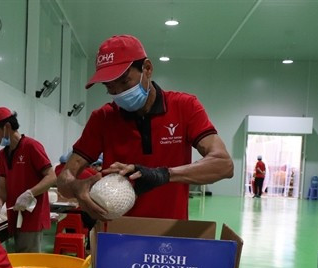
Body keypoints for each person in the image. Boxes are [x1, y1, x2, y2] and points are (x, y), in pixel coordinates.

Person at [57, 35, 234, 221]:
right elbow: (65, 177)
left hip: (170, 232)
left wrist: (161, 175)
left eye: (125, 82)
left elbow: (224, 165)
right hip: (118, 233)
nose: (119, 93)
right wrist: (76, 188)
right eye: (110, 87)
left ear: (147, 69)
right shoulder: (102, 118)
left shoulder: (185, 107)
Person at [0, 107, 56, 252]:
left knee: (29, 262)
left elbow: (51, 176)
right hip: (13, 216)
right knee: (18, 259)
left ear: (7, 127)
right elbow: (2, 186)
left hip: (32, 217)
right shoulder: (2, 155)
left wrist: (30, 193)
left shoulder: (31, 147)